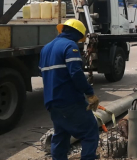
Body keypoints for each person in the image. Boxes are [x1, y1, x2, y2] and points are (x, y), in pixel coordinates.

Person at [39, 19, 100, 160]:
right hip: (69, 101)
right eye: (80, 38)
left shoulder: (46, 48)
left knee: (61, 134)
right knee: (90, 131)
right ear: (77, 34)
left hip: (51, 102)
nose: (79, 41)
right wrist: (90, 94)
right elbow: (76, 73)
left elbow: (42, 73)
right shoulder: (69, 46)